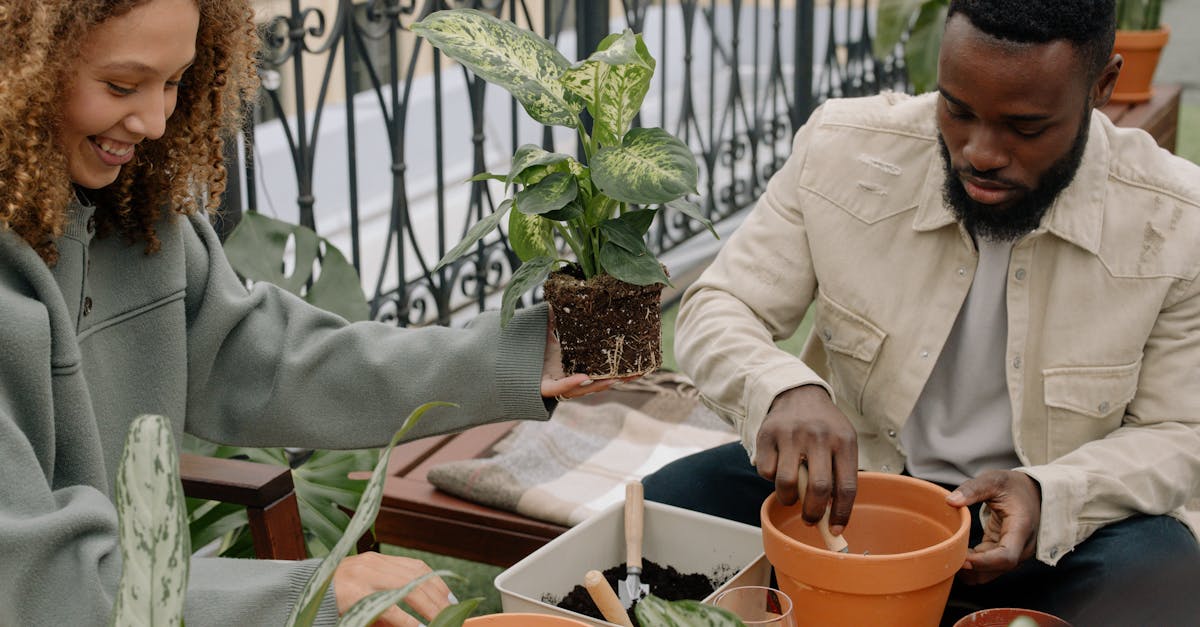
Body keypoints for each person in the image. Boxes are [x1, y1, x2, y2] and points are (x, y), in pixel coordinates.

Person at [0, 1, 619, 625]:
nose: (157, 120)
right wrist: (309, 593)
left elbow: (261, 361)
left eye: (174, 82)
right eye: (122, 85)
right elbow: (38, 584)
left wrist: (511, 358)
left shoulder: (136, 215)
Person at [642, 0, 1200, 624]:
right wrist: (783, 390)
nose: (981, 151)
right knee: (668, 509)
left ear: (1102, 86)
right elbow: (719, 306)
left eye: (1025, 127)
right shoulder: (841, 150)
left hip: (1049, 534)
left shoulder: (1177, 221)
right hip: (851, 497)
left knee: (1164, 573)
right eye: (957, 110)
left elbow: (1181, 431)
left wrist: (1050, 494)